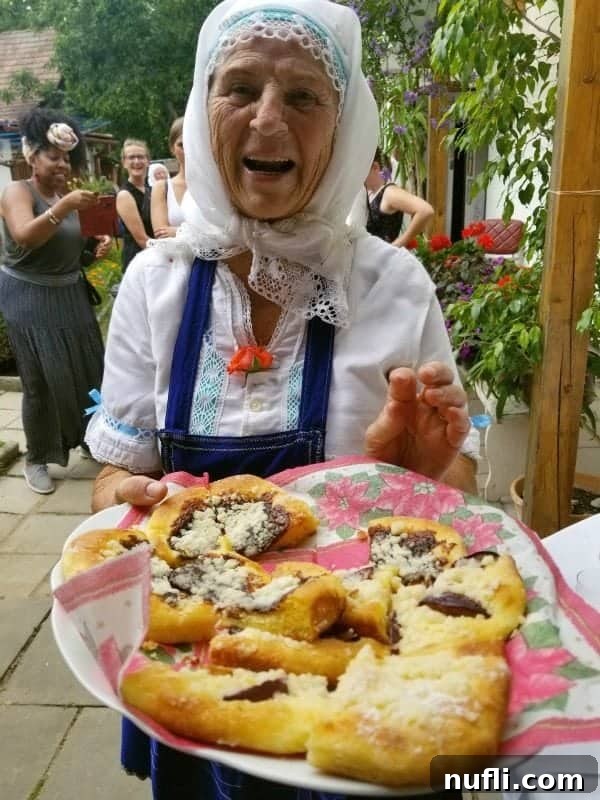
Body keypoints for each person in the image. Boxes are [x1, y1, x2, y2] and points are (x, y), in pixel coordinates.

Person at [86, 0, 477, 796]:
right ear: (203, 107)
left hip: (353, 678)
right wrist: (122, 501)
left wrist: (421, 475)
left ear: (343, 128)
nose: (267, 119)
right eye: (239, 88)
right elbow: (112, 484)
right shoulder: (154, 286)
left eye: (303, 96)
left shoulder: (391, 285)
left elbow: (454, 506)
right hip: (207, 676)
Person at [0, 108, 109, 494]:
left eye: (66, 157)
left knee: (86, 370)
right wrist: (64, 207)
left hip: (69, 292)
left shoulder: (66, 195)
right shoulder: (18, 191)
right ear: (32, 156)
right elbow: (25, 237)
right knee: (42, 379)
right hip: (29, 296)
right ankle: (38, 457)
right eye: (53, 156)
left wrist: (93, 246)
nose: (62, 164)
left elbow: (64, 246)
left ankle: (90, 438)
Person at [363, 147, 434, 247]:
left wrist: (399, 243)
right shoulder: (369, 193)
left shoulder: (389, 192)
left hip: (385, 258)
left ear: (375, 167)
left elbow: (426, 210)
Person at [116, 139, 154, 272]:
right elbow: (142, 239)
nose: (137, 161)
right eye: (131, 157)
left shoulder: (152, 190)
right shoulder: (125, 195)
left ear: (148, 161)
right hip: (138, 263)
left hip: (155, 258)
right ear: (124, 163)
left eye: (141, 157)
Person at [151, 116, 187, 238]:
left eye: (193, 141)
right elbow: (161, 234)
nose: (188, 149)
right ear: (172, 148)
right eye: (181, 145)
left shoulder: (214, 184)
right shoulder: (162, 187)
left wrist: (177, 232)